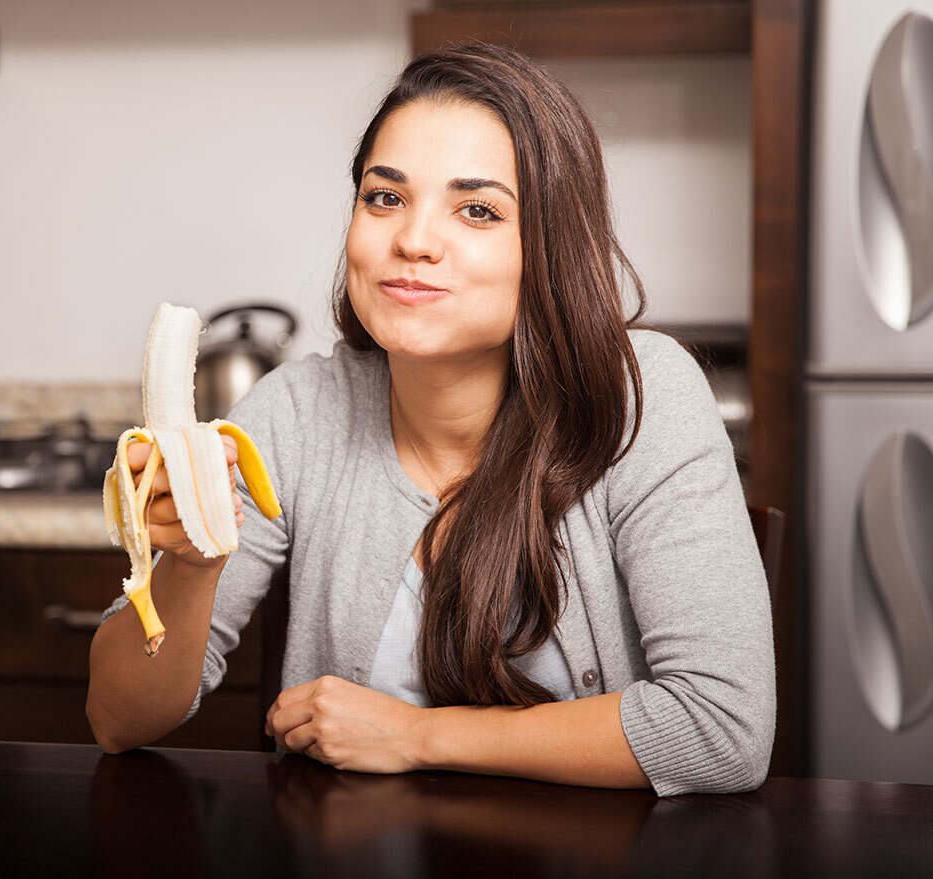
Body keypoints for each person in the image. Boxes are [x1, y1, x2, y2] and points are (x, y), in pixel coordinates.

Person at [86, 43, 775, 797]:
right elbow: (120, 721)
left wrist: (416, 735)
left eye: (477, 209)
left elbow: (723, 730)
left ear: (549, 246)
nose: (412, 240)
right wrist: (193, 562)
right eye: (385, 198)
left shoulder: (643, 399)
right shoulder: (296, 414)